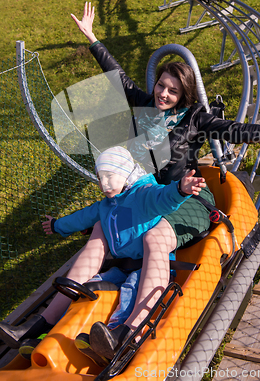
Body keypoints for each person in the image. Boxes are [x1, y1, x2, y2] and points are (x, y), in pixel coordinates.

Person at [66, 2, 260, 360]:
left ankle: (131, 333)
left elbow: (237, 130)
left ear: (184, 95)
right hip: (155, 197)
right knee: (107, 229)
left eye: (172, 91)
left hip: (190, 197)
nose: (163, 94)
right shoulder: (147, 106)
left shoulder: (194, 118)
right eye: (161, 86)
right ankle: (62, 318)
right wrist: (91, 37)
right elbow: (120, 79)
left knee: (155, 236)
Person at [0, 146, 206, 363]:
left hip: (146, 267)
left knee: (130, 292)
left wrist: (181, 190)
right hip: (120, 267)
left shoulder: (142, 194)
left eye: (109, 176)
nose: (104, 183)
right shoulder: (105, 206)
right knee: (88, 286)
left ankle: (119, 335)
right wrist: (56, 225)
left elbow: (162, 197)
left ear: (125, 173)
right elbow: (80, 218)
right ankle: (44, 332)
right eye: (100, 178)